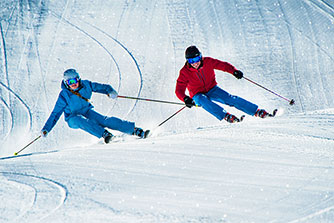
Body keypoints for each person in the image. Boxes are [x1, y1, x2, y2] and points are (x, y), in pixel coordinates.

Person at [41, 68, 149, 143]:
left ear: (78, 79)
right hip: (72, 118)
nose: (73, 84)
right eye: (69, 82)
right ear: (66, 83)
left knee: (105, 120)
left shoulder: (86, 85)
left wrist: (110, 91)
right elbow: (55, 114)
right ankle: (105, 134)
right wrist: (46, 129)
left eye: (74, 80)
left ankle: (135, 130)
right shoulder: (64, 95)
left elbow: (102, 87)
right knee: (81, 120)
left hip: (87, 111)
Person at [175, 45, 270, 123]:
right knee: (202, 99)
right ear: (187, 61)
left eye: (196, 59)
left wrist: (234, 71)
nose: (195, 63)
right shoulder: (184, 72)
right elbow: (179, 90)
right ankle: (226, 116)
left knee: (230, 98)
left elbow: (223, 65)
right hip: (197, 95)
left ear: (200, 56)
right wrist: (185, 98)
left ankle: (256, 111)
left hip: (212, 89)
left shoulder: (208, 62)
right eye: (191, 61)